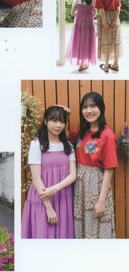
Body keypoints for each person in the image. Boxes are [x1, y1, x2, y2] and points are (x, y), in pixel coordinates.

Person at [68, 92, 118, 238]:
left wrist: (101, 201)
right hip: (80, 187)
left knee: (98, 227)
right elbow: (60, 134)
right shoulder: (81, 131)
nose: (89, 111)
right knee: (82, 227)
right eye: (85, 107)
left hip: (96, 187)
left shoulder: (108, 135)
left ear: (101, 108)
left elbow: (109, 170)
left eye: (93, 106)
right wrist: (63, 113)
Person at [21, 106, 76, 239]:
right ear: (45, 121)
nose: (58, 125)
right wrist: (48, 207)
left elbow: (73, 174)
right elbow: (36, 178)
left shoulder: (68, 145)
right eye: (54, 120)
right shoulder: (36, 144)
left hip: (63, 198)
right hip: (43, 199)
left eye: (62, 121)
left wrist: (55, 189)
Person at [65, 0, 96, 71]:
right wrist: (88, 15)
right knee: (87, 41)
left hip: (78, 22)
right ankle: (84, 63)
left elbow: (72, 13)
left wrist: (78, 14)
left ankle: (80, 64)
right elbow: (94, 14)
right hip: (89, 23)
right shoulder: (93, 0)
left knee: (78, 41)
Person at [95, 0, 122, 72]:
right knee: (116, 41)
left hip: (104, 18)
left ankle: (106, 66)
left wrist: (105, 23)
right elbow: (118, 9)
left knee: (105, 42)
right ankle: (116, 64)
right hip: (115, 17)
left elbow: (102, 10)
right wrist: (115, 21)